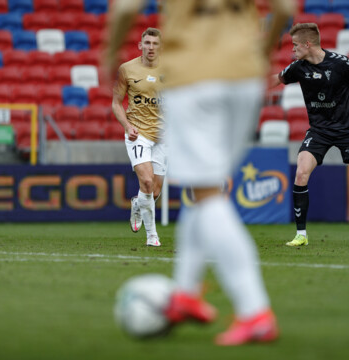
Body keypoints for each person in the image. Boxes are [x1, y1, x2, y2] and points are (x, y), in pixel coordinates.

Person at [105, 0, 295, 345]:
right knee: (203, 188)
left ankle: (255, 312)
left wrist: (109, 55)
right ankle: (185, 294)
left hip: (195, 77)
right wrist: (262, 53)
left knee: (207, 196)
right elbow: (285, 8)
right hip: (246, 77)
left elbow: (124, 9)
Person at [271, 23, 349, 247]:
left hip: (348, 132)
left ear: (308, 44)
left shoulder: (341, 63)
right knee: (300, 174)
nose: (292, 50)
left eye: (295, 45)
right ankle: (301, 235)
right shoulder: (297, 67)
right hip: (319, 131)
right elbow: (275, 79)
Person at [111, 27, 165, 247]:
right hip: (138, 134)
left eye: (155, 43)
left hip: (163, 136)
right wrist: (127, 125)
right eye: (147, 43)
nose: (151, 47)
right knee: (147, 181)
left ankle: (137, 204)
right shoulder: (127, 69)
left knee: (155, 191)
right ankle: (152, 236)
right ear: (140, 45)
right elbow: (116, 103)